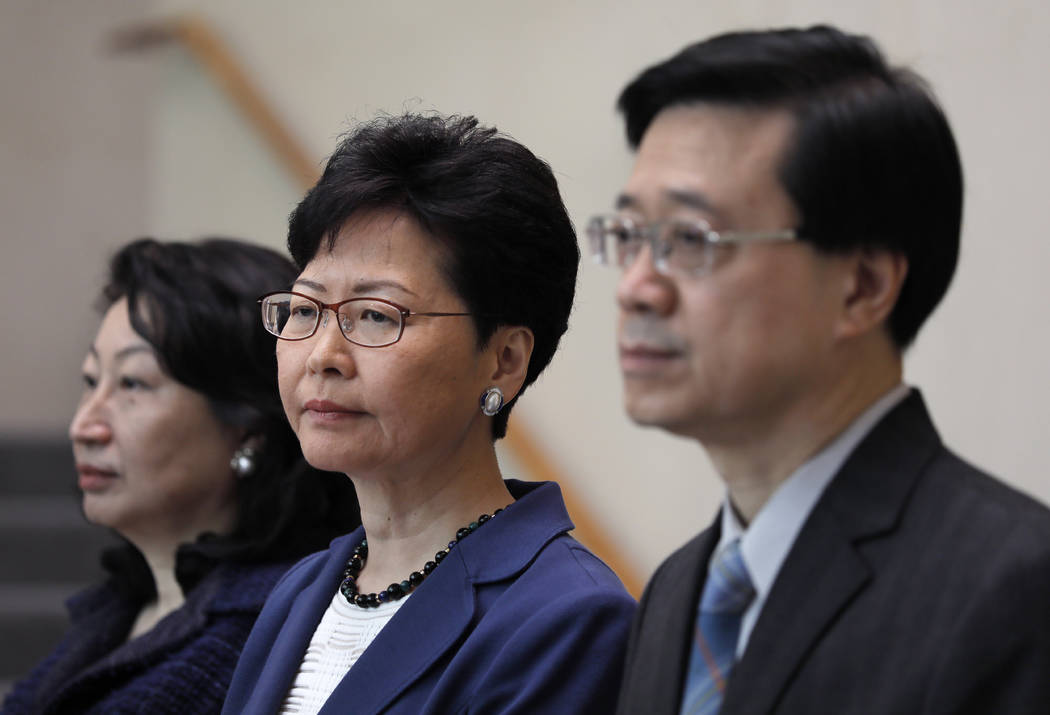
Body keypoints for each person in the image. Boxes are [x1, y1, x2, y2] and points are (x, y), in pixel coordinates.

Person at [591, 25, 1050, 715]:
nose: (636, 286)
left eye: (690, 238)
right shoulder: (674, 590)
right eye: (629, 236)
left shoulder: (1012, 584)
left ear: (862, 287)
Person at [221, 113, 635, 715]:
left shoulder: (566, 616)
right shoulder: (303, 590)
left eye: (377, 316)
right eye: (306, 309)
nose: (324, 357)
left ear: (504, 361)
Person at [1, 238, 361, 715]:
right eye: (91, 381)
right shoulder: (123, 605)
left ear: (248, 426)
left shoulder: (262, 631)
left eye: (132, 384)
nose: (84, 426)